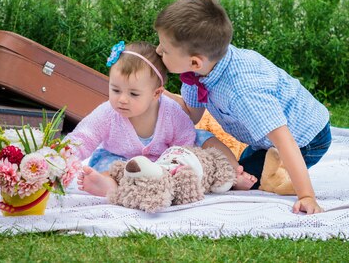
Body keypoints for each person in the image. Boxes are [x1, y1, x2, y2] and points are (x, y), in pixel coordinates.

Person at [154, 0, 331, 214]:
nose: (158, 51)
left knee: (239, 179)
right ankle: (266, 163)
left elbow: (285, 140)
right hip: (264, 141)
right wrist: (159, 94)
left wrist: (307, 196)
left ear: (194, 61)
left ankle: (285, 180)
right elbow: (192, 115)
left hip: (307, 138)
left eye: (164, 49)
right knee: (235, 168)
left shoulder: (243, 92)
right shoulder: (198, 72)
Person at [67, 41, 255, 198]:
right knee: (110, 168)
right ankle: (109, 186)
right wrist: (62, 159)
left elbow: (185, 141)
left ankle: (232, 172)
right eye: (115, 90)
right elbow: (84, 137)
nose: (122, 99)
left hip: (166, 160)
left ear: (156, 93)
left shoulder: (170, 112)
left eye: (133, 93)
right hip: (122, 160)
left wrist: (178, 163)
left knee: (203, 137)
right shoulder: (108, 113)